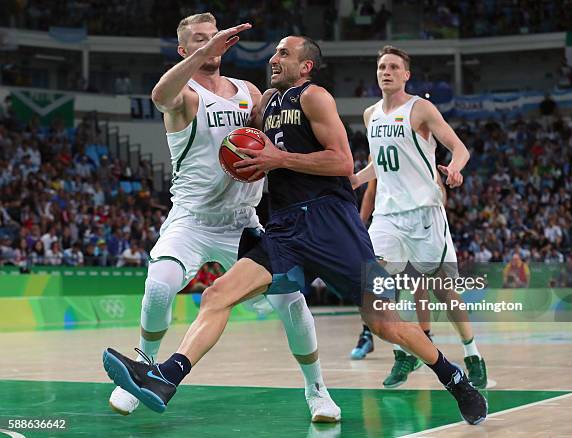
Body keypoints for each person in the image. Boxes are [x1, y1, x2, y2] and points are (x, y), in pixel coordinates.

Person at [103, 34, 487, 425]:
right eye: (274, 52)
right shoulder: (265, 101)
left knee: (384, 322)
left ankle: (452, 376)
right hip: (285, 226)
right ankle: (168, 377)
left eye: (283, 54)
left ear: (305, 66)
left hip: (332, 223)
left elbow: (341, 162)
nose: (274, 58)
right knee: (217, 294)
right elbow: (218, 121)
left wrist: (278, 158)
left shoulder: (314, 96)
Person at [106, 15, 340, 422]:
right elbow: (160, 96)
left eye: (212, 37)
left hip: (243, 220)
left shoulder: (250, 92)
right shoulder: (185, 94)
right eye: (198, 40)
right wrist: (202, 55)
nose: (209, 43)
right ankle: (142, 370)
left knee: (292, 302)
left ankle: (316, 390)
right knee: (159, 288)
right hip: (192, 219)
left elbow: (276, 130)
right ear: (185, 51)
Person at [349, 46, 487, 389]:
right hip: (388, 215)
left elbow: (460, 148)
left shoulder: (421, 108)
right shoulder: (370, 115)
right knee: (376, 284)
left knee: (444, 292)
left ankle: (472, 353)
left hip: (425, 214)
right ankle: (404, 352)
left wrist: (454, 169)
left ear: (406, 75)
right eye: (382, 66)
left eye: (394, 67)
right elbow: (378, 164)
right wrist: (353, 179)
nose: (387, 71)